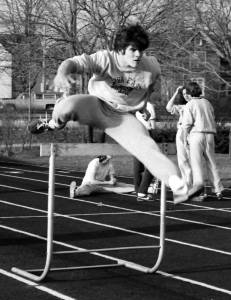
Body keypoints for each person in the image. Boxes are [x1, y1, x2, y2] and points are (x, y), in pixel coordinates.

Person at [28, 23, 202, 204]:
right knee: (69, 105)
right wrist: (62, 74)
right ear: (120, 50)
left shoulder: (151, 67)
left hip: (121, 119)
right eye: (133, 50)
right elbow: (73, 63)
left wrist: (142, 106)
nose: (138, 55)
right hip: (96, 105)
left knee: (148, 148)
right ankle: (52, 124)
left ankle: (179, 186)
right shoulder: (105, 59)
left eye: (141, 51)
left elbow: (150, 86)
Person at [181, 81, 224, 200]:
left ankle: (200, 192)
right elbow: (212, 117)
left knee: (196, 165)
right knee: (212, 163)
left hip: (197, 135)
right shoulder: (207, 102)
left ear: (190, 93)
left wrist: (184, 139)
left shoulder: (190, 104)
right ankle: (218, 190)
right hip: (210, 135)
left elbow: (186, 125)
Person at [166, 86, 193, 190]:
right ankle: (186, 184)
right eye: (184, 94)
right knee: (182, 161)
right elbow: (168, 107)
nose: (186, 96)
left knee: (191, 160)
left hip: (191, 133)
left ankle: (192, 185)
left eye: (188, 93)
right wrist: (176, 92)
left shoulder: (196, 105)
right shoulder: (182, 106)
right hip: (181, 132)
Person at [133, 102, 158, 201]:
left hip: (133, 135)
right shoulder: (149, 105)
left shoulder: (132, 104)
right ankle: (142, 192)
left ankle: (138, 189)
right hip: (145, 135)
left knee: (138, 166)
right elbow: (152, 126)